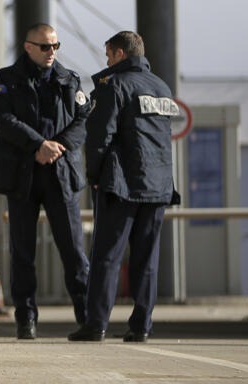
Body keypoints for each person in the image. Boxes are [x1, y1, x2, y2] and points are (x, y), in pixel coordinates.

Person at [69, 30, 179, 344]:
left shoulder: (114, 85)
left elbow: (100, 137)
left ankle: (96, 325)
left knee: (107, 256)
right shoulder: (161, 87)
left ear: (119, 53)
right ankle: (141, 326)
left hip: (122, 185)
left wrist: (94, 175)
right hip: (158, 186)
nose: (106, 62)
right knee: (147, 259)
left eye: (108, 55)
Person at [0, 23, 91, 340]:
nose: (51, 52)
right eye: (45, 46)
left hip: (60, 174)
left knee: (74, 251)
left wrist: (57, 146)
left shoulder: (69, 79)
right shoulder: (6, 79)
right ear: (28, 47)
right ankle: (26, 319)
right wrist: (38, 145)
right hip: (23, 175)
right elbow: (4, 120)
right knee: (23, 253)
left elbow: (83, 119)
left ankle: (88, 317)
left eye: (56, 46)